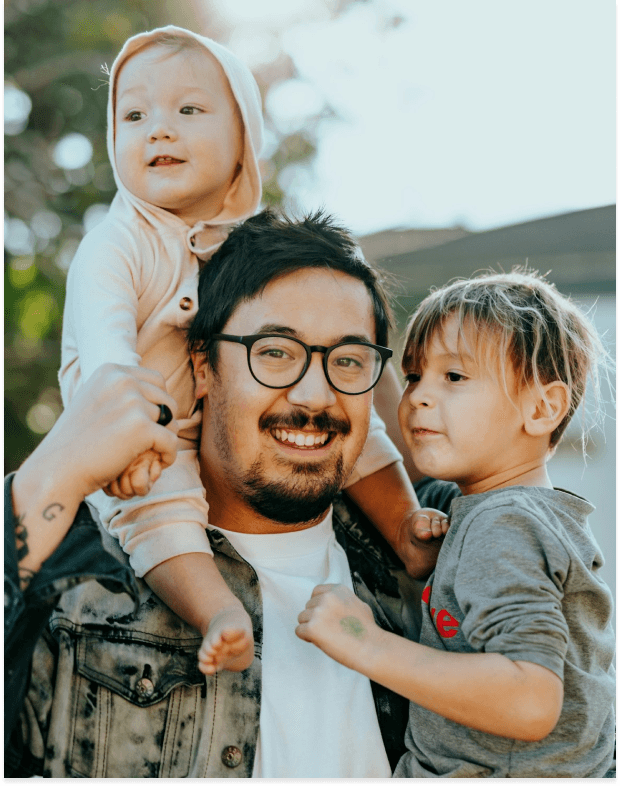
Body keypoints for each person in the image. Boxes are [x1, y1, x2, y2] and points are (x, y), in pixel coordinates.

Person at [5, 209, 448, 779]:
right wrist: (54, 472)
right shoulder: (77, 571)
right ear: (203, 366)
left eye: (347, 361)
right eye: (275, 353)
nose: (316, 395)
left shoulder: (447, 555)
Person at [59, 25, 445, 676]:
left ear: (244, 138)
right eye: (134, 115)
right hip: (137, 435)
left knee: (353, 423)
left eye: (188, 110)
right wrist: (128, 439)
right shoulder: (117, 243)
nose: (158, 129)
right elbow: (106, 356)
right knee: (161, 513)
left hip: (204, 422)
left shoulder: (252, 248)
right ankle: (218, 610)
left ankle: (406, 530)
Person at [297, 270, 616, 779]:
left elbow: (531, 699)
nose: (418, 395)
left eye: (454, 377)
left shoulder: (504, 525)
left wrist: (364, 641)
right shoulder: (506, 511)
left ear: (542, 408)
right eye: (415, 374)